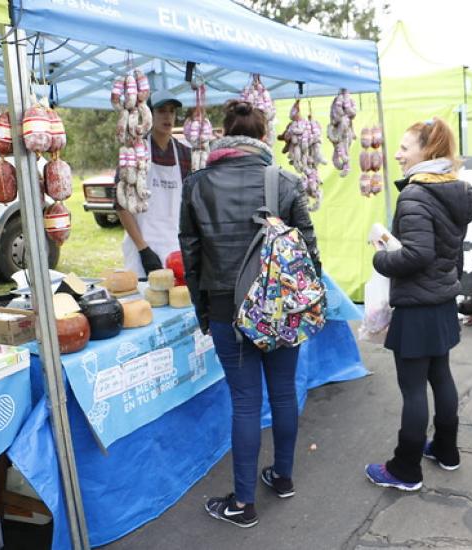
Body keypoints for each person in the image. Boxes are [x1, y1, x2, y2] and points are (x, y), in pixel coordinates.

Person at [179, 100, 320, 528]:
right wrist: (303, 301)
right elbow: (309, 252)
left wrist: (205, 313)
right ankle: (283, 476)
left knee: (244, 402)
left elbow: (191, 255)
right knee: (282, 394)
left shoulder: (198, 184)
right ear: (261, 137)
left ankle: (242, 503)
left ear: (224, 134)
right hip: (281, 309)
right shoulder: (284, 181)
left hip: (227, 309)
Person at [364, 118, 472, 491]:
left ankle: (405, 468)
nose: (397, 154)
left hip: (417, 304)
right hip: (442, 299)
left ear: (426, 152)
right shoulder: (454, 190)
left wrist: (380, 258)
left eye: (404, 147)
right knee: (440, 376)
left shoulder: (415, 193)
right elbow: (441, 250)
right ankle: (446, 450)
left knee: (414, 389)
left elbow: (417, 254)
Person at [117, 90, 192, 279]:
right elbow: (121, 205)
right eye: (161, 111)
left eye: (172, 111)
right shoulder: (134, 152)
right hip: (141, 248)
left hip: (175, 250)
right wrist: (144, 250)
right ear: (149, 115)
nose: (168, 117)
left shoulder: (185, 154)